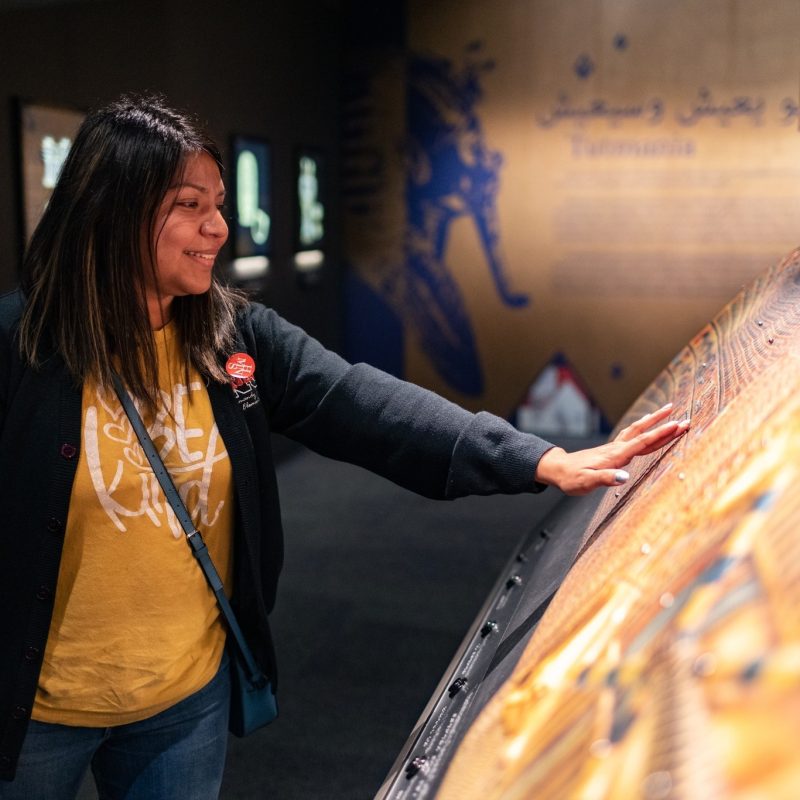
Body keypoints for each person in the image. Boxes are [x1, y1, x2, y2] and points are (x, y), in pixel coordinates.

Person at [0, 94, 689, 799]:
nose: (218, 227)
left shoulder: (233, 338)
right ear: (113, 212)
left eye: (219, 204)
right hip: (38, 713)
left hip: (184, 702)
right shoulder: (20, 348)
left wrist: (536, 458)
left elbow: (361, 403)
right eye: (189, 206)